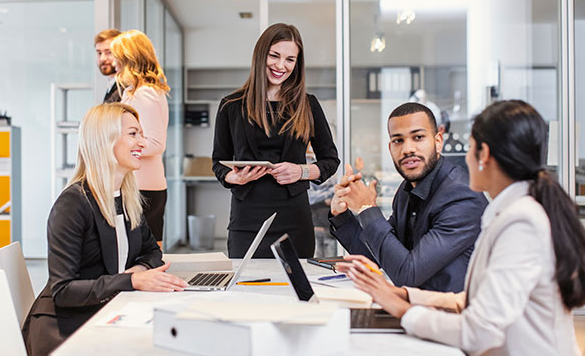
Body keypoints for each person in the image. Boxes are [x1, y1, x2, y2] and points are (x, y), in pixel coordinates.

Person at [340, 100, 585, 355]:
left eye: (469, 148)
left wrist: (405, 311)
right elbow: (474, 300)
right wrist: (404, 297)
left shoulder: (520, 222)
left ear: (484, 154)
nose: (464, 159)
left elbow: (480, 331)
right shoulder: (509, 212)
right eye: (398, 140)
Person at [21, 103, 186, 356]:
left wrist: (138, 272)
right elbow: (63, 291)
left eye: (141, 133)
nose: (143, 142)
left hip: (105, 312)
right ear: (104, 140)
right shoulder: (73, 204)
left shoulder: (127, 197)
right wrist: (130, 280)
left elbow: (153, 252)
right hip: (64, 329)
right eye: (133, 134)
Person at [329, 102, 488, 292]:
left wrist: (366, 209)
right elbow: (378, 257)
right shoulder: (407, 190)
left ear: (438, 141)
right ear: (390, 148)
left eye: (418, 137)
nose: (407, 149)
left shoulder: (461, 196)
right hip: (417, 308)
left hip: (453, 315)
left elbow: (408, 274)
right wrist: (342, 215)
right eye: (398, 140)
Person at [212, 23, 339, 258]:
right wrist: (234, 177)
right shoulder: (231, 106)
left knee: (294, 290)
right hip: (247, 220)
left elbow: (331, 160)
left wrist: (301, 171)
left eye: (290, 60)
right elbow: (218, 162)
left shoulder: (308, 105)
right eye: (274, 56)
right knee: (246, 290)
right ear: (261, 55)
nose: (281, 66)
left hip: (294, 219)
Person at [111, 30, 170, 248]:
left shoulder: (143, 93)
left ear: (127, 58)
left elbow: (155, 143)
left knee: (146, 253)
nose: (113, 62)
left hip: (143, 187)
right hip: (140, 184)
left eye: (115, 55)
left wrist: (116, 148)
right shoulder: (135, 91)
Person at [94, 28, 121, 103]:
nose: (102, 59)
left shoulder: (126, 88)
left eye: (109, 52)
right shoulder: (112, 85)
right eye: (99, 53)